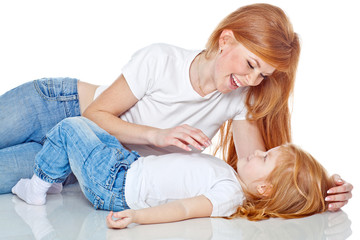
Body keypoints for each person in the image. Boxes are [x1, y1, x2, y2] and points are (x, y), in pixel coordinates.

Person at [0, 3, 352, 209]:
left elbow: (262, 173)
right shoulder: (160, 60)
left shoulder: (240, 100)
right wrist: (158, 136)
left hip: (78, 159)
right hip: (57, 106)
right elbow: (93, 115)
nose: (251, 80)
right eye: (249, 64)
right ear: (226, 39)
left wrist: (319, 187)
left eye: (262, 74)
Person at [11, 117, 336, 230]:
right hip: (128, 165)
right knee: (94, 130)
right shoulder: (232, 179)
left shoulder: (228, 195)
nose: (255, 151)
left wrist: (135, 216)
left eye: (263, 157)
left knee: (71, 128)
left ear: (264, 189)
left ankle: (38, 186)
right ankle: (53, 177)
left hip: (115, 187)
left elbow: (182, 209)